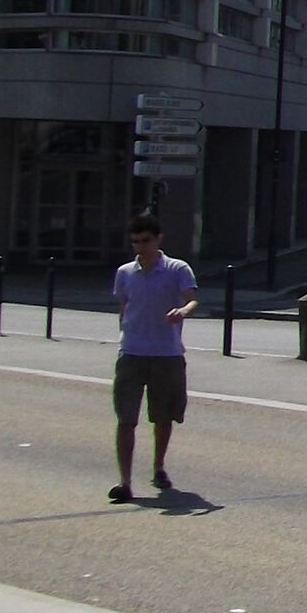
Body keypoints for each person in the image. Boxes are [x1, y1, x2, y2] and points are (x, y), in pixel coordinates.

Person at [108, 212, 198, 503]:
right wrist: (124, 334)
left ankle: (158, 466)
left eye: (145, 241)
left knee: (163, 417)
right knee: (126, 419)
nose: (140, 247)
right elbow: (124, 306)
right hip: (131, 353)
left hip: (166, 354)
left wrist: (182, 311)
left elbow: (192, 299)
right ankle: (124, 482)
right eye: (135, 242)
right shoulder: (125, 272)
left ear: (158, 239)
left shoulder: (176, 268)